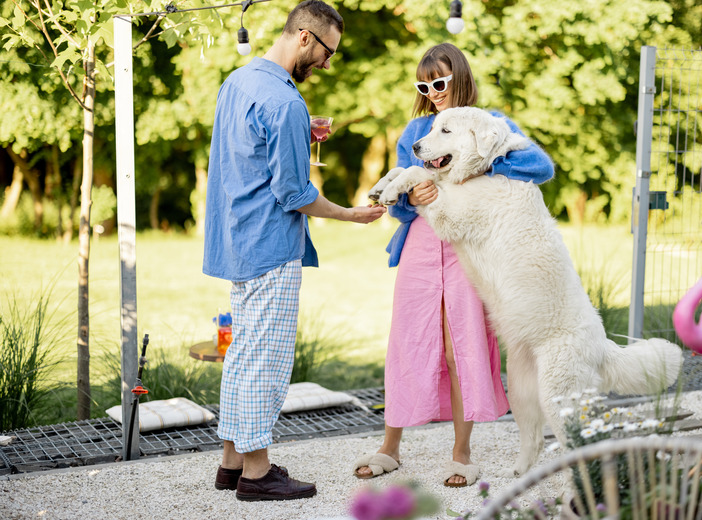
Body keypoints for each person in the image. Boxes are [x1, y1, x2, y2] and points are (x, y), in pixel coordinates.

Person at [203, 0, 386, 502]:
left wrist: (297, 135)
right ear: (305, 37)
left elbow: (245, 152)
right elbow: (294, 193)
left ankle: (231, 464)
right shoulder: (285, 102)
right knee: (266, 361)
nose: (328, 63)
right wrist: (351, 215)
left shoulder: (238, 82)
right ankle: (258, 476)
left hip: (238, 240)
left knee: (242, 354)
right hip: (270, 246)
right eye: (328, 51)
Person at [353, 43, 554, 487]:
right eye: (425, 85)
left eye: (440, 82)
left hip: (469, 244)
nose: (434, 92)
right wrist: (413, 196)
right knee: (407, 341)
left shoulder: (488, 123)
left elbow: (538, 166)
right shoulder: (417, 129)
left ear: (459, 77)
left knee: (461, 343)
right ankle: (390, 447)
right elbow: (401, 204)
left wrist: (476, 166)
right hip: (422, 246)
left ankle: (461, 453)